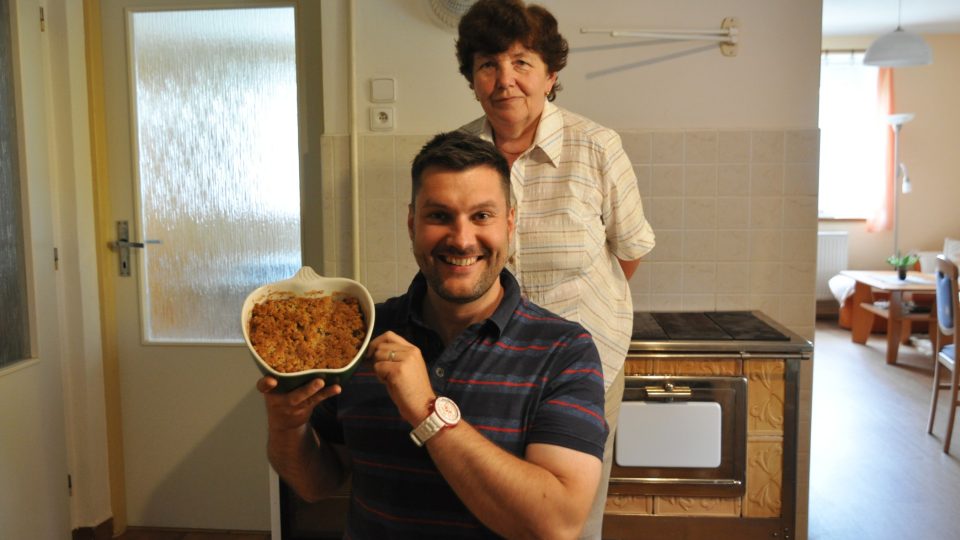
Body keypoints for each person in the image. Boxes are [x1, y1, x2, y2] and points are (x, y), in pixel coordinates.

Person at [259, 131, 607, 539]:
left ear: (510, 222)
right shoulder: (359, 332)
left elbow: (556, 525)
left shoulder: (564, 352)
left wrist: (428, 411)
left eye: (481, 216)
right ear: (412, 223)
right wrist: (287, 427)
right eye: (439, 216)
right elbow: (316, 485)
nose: (461, 239)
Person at [454, 1, 656, 537]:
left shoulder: (597, 147)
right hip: (490, 361)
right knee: (493, 500)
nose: (505, 80)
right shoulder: (459, 154)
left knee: (567, 519)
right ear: (472, 78)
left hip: (587, 357)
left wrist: (564, 329)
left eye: (522, 62)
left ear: (551, 74)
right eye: (488, 64)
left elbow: (629, 250)